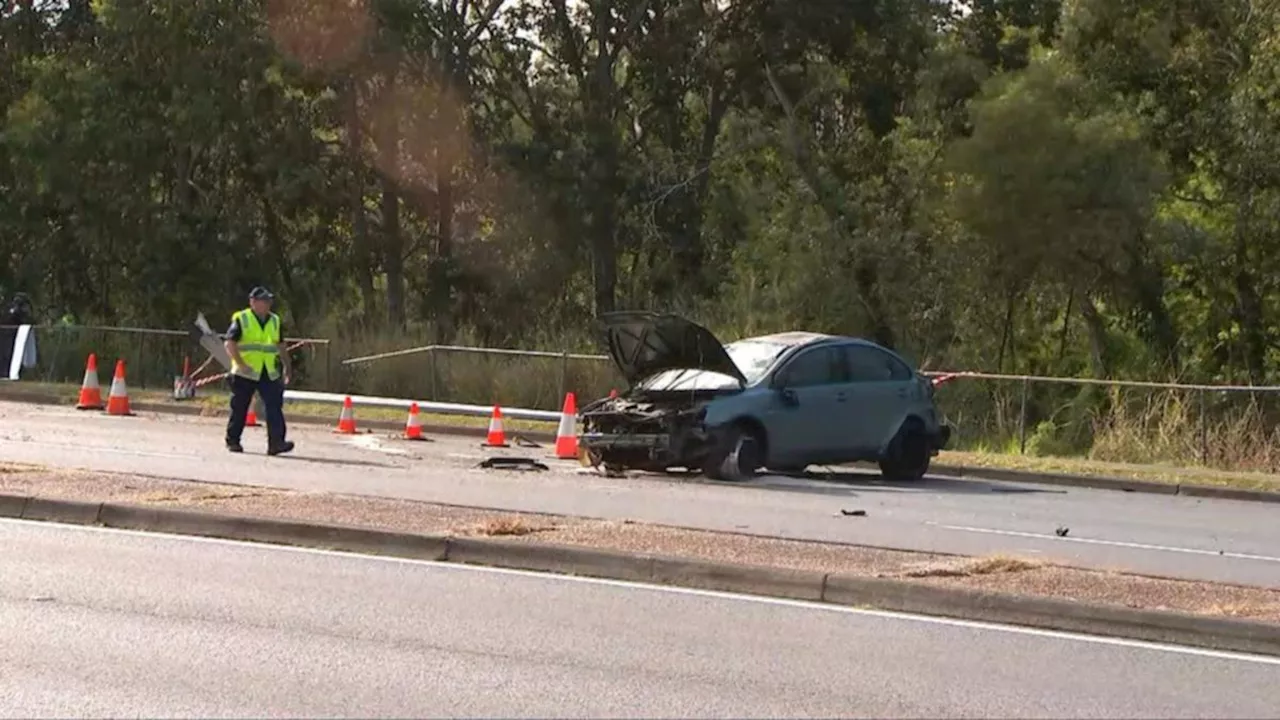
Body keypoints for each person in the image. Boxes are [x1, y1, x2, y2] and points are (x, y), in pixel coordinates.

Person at [224, 286, 294, 455]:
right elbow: (230, 343)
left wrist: (287, 365)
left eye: (268, 301)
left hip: (267, 371)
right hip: (245, 371)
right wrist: (240, 363)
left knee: (274, 406)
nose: (267, 304)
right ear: (253, 302)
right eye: (263, 301)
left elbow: (280, 344)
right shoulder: (242, 318)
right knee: (240, 406)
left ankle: (276, 443)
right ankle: (233, 440)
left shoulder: (275, 320)